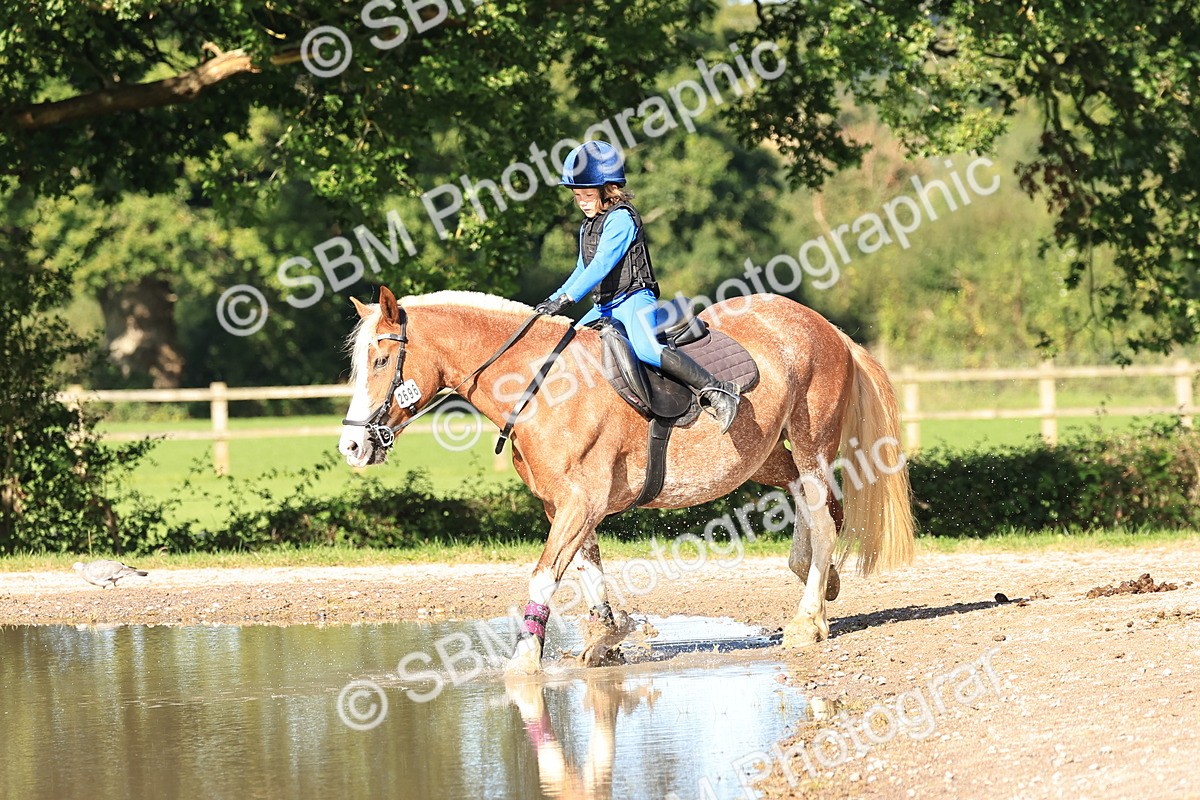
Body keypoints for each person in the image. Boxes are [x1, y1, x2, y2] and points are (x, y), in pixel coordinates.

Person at [534, 141, 739, 433]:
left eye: (588, 195)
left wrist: (566, 299)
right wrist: (550, 302)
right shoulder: (587, 226)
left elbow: (601, 265)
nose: (582, 202)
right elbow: (581, 268)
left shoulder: (621, 219)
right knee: (569, 348)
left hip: (633, 298)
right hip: (603, 305)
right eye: (577, 196)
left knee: (644, 349)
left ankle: (717, 390)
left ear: (609, 191)